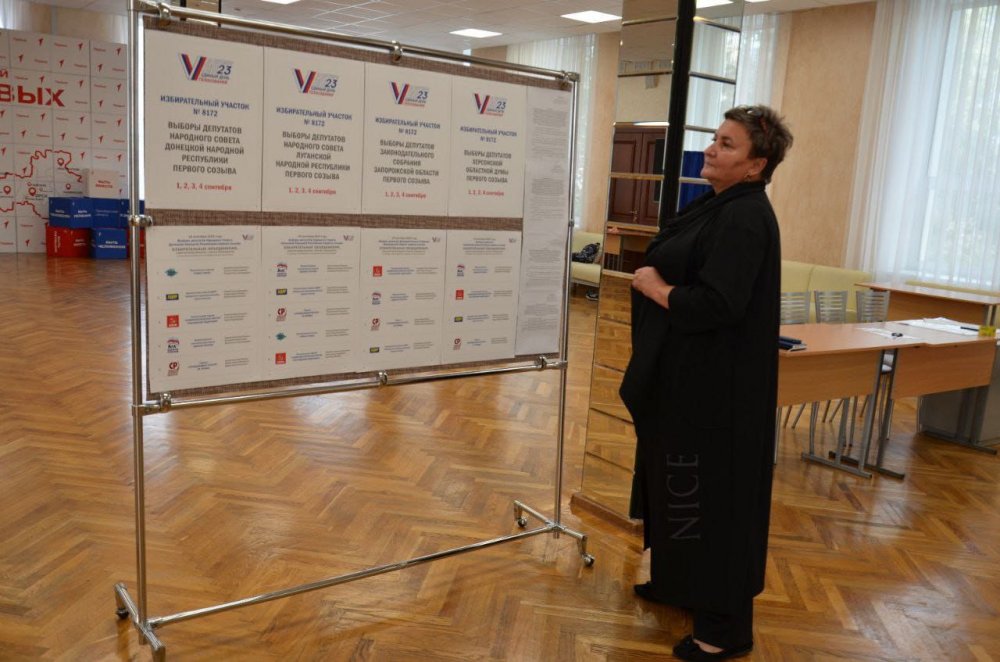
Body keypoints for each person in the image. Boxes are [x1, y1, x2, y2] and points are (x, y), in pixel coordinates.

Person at [618, 105, 793, 661]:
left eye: (727, 144)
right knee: (677, 485)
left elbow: (719, 303)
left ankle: (723, 629)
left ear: (756, 165)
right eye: (715, 139)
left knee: (714, 500)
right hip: (686, 383)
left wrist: (655, 288)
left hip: (716, 393)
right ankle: (680, 583)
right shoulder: (718, 205)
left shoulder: (745, 217)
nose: (712, 149)